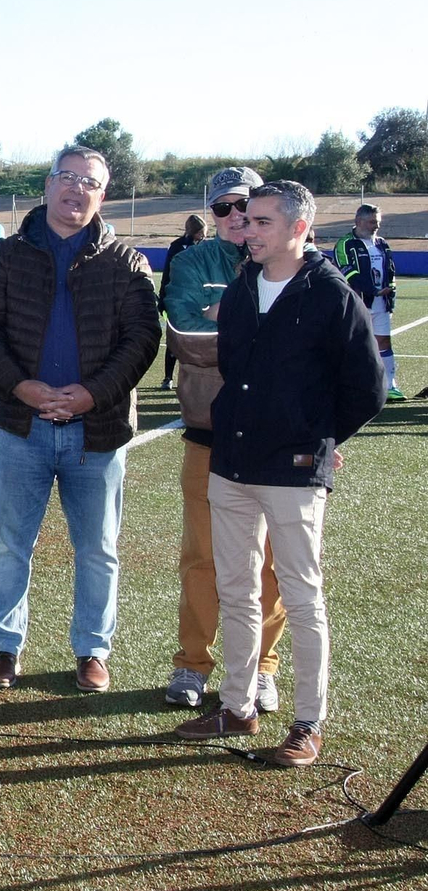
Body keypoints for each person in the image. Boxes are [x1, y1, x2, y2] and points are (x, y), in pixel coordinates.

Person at [176, 181, 385, 765]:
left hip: (292, 471)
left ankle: (307, 723)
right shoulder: (243, 287)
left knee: (300, 593)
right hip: (231, 464)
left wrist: (319, 439)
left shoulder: (329, 294)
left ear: (298, 228)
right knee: (236, 587)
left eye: (263, 221)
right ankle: (237, 706)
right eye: (246, 219)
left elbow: (368, 388)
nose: (249, 229)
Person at [0, 146, 160, 693]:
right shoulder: (6, 256)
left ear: (103, 196)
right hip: (19, 426)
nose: (77, 189)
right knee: (10, 543)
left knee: (98, 547)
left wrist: (90, 395)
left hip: (96, 431)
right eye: (68, 177)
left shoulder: (125, 261)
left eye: (91, 183)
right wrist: (23, 387)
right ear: (48, 185)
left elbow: (143, 338)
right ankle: (4, 646)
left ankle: (92, 650)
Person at [161, 168, 285, 711]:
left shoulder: (292, 264)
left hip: (282, 439)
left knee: (271, 564)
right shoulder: (192, 262)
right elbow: (187, 336)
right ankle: (192, 664)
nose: (236, 217)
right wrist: (256, 319)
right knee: (203, 557)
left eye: (247, 206)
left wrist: (225, 319)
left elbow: (319, 347)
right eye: (223, 208)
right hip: (209, 433)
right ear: (210, 214)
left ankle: (262, 668)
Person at [334, 204, 403, 402]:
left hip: (381, 302)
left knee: (383, 341)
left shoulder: (382, 243)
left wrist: (389, 291)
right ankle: (351, 386)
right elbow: (347, 270)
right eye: (373, 222)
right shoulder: (345, 243)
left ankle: (390, 385)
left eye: (378, 222)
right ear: (359, 221)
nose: (376, 226)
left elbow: (390, 270)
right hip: (356, 302)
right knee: (353, 344)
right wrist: (371, 290)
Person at [157, 212, 206, 389]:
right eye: (201, 231)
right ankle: (168, 378)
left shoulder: (206, 247)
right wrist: (163, 297)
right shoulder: (177, 246)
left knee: (197, 339)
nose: (203, 235)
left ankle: (193, 378)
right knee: (174, 339)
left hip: (199, 301)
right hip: (177, 300)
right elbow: (167, 274)